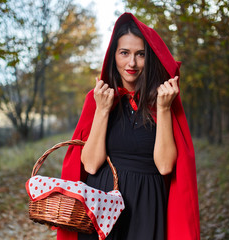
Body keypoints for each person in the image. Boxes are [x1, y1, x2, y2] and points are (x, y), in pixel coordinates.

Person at [58, 13, 200, 240]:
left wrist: (163, 109)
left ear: (149, 58)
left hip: (147, 207)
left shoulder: (163, 101)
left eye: (140, 54)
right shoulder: (97, 99)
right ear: (114, 56)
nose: (131, 63)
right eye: (124, 53)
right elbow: (92, 165)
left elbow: (165, 167)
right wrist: (103, 109)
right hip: (101, 208)